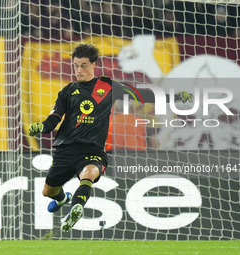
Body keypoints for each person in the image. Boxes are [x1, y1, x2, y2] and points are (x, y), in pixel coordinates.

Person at [28, 44, 193, 232]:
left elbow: (143, 95)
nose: (79, 70)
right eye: (76, 66)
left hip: (93, 149)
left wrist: (175, 96)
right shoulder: (67, 91)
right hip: (66, 149)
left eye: (83, 66)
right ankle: (63, 199)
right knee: (48, 191)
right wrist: (42, 127)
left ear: (93, 65)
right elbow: (54, 118)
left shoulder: (108, 87)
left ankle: (76, 208)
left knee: (88, 174)